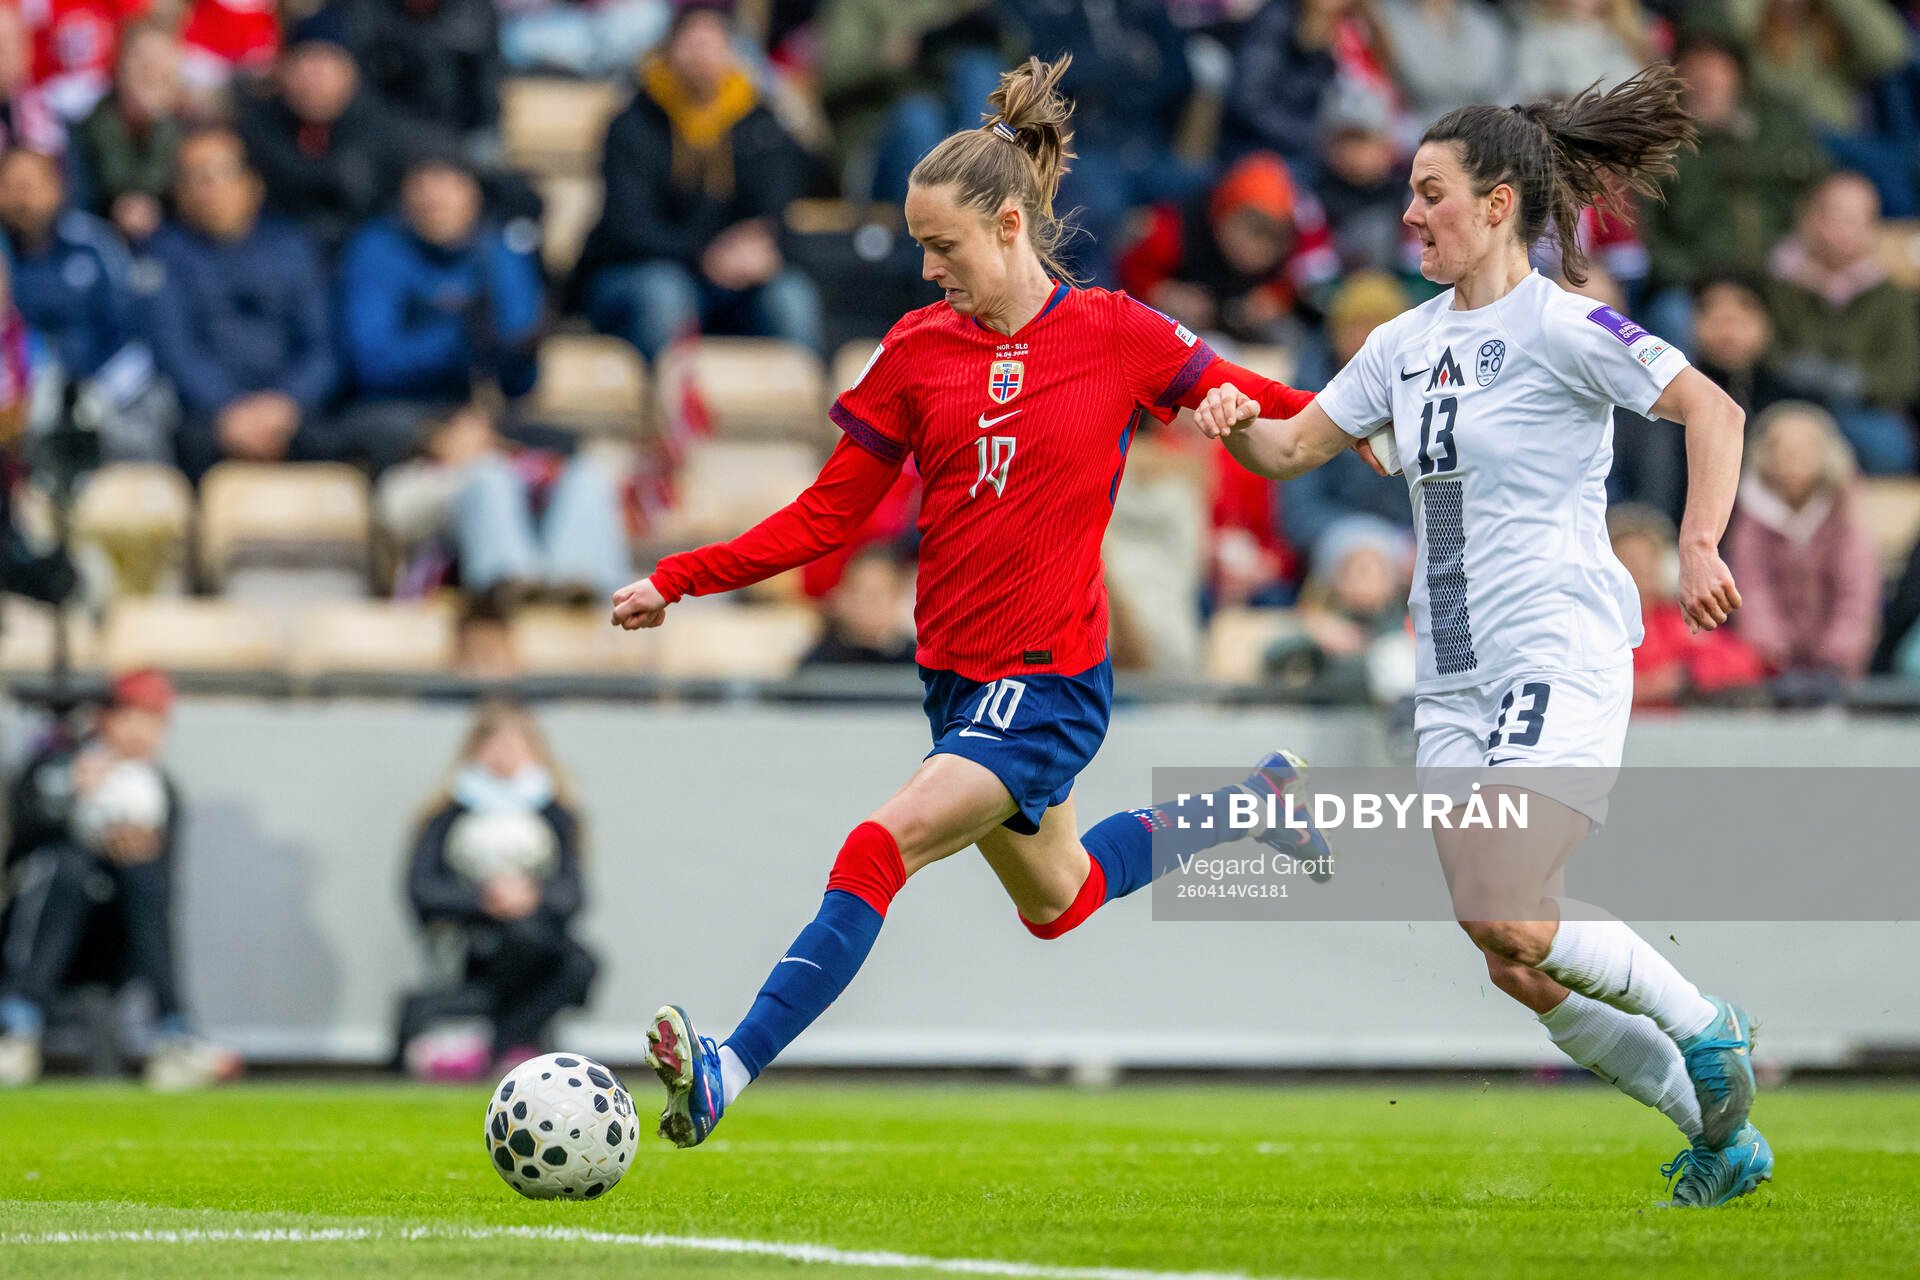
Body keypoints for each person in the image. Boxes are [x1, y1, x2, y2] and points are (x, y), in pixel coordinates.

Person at [610, 56, 1327, 1151]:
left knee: (877, 842)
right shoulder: (914, 352)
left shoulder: (1120, 333)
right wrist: (678, 576)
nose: (930, 267)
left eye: (942, 245)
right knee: (1063, 900)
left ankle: (730, 1062)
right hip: (957, 680)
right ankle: (1253, 808)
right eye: (918, 247)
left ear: (1006, 224)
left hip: (1045, 680)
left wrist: (1357, 431)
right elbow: (823, 519)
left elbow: (1294, 409)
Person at [1202, 68, 1771, 1207]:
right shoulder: (1399, 345)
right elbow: (1290, 451)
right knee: (1505, 947)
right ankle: (1716, 1135)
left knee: (1511, 904)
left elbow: (1714, 405)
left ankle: (1707, 1021)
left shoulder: (1566, 324)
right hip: (1451, 673)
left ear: (1501, 203)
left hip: (1557, 645)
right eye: (1409, 195)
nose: (1409, 215)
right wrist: (1226, 422)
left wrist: (1702, 543)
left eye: (1431, 193)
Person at [0, 671, 240, 1090]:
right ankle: (16, 1028)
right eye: (131, 716)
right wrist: (67, 801)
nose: (140, 731)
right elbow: (19, 847)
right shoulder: (57, 767)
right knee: (68, 865)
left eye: (153, 720)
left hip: (114, 947)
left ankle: (174, 1030)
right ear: (104, 719)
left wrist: (136, 853)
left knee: (147, 878)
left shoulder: (160, 790)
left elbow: (162, 897)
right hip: (40, 933)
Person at [576, 4, 821, 360]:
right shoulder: (634, 123)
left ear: (732, 53)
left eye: (713, 43)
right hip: (636, 273)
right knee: (665, 293)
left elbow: (775, 213)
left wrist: (758, 249)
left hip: (730, 282)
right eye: (692, 42)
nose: (702, 54)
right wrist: (703, 255)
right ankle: (671, 411)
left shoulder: (761, 126)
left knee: (791, 296)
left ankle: (809, 411)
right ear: (669, 50)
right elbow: (626, 227)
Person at [140, 127, 349, 482]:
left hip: (291, 411)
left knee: (341, 441)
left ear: (253, 184)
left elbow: (323, 345)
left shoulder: (292, 247)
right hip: (207, 416)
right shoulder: (162, 253)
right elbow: (174, 348)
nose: (207, 189)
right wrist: (228, 410)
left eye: (219, 174)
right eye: (193, 178)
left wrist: (287, 404)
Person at [405, 700, 596, 1078]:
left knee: (579, 965)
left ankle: (493, 1048)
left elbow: (573, 893)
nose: (505, 758)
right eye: (495, 746)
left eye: (516, 747)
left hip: (539, 941)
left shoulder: (555, 814)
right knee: (517, 938)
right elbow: (422, 889)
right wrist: (483, 899)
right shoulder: (447, 817)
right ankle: (507, 1047)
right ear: (475, 751)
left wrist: (532, 896)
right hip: (475, 945)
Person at [337, 153, 543, 442]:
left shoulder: (499, 251)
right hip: (398, 412)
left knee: (576, 460)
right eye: (422, 183)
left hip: (485, 417)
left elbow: (520, 377)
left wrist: (518, 352)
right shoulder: (376, 249)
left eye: (448, 183)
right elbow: (370, 366)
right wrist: (458, 341)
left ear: (473, 193)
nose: (434, 198)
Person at [375, 402, 632, 602]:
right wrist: (467, 473)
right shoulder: (416, 476)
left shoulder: (515, 469)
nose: (482, 436)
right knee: (490, 475)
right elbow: (395, 515)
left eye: (484, 429)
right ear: (439, 438)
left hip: (549, 566)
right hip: (472, 585)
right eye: (468, 427)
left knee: (586, 475)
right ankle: (510, 581)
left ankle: (580, 584)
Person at [1764, 170, 1920, 475]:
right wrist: (1795, 371)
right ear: (1808, 218)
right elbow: (1765, 350)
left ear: (1871, 227)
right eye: (1833, 217)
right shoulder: (1777, 283)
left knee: (1889, 445)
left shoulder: (1889, 295)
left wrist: (1860, 383)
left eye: (1855, 220)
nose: (1842, 231)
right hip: (1789, 403)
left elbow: (1906, 372)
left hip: (1863, 409)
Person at [1724, 400, 1881, 695]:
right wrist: (1772, 651)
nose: (1793, 460)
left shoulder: (1844, 512)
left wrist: (1839, 655)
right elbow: (1753, 589)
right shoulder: (1751, 513)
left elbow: (1857, 590)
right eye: (1782, 450)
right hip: (1775, 670)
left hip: (1836, 669)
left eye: (1805, 450)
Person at [234, 8, 402, 258]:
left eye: (325, 67)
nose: (313, 79)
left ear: (350, 73)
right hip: (276, 251)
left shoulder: (384, 129)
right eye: (304, 64)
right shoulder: (254, 127)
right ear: (282, 71)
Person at [1609, 503, 1767, 707]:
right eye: (1628, 560)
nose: (1640, 569)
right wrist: (1645, 686)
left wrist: (1686, 673)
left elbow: (1743, 662)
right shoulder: (1599, 626)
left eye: (1647, 560)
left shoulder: (1680, 619)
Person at [72, 21, 184, 244]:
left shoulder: (192, 128)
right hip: (102, 238)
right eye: (141, 58)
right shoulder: (88, 125)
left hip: (177, 242)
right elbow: (89, 195)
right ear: (119, 64)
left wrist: (161, 121)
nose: (150, 69)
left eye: (161, 59)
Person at [800, 542, 917, 666]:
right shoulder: (822, 659)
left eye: (875, 595)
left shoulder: (915, 662)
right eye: (857, 591)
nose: (865, 603)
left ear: (897, 597)